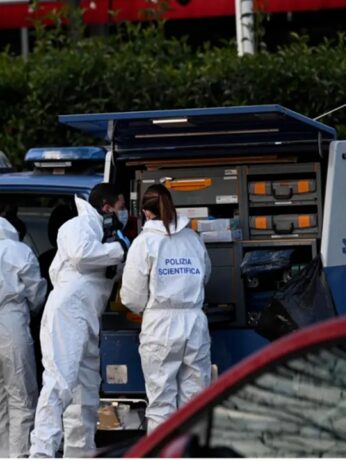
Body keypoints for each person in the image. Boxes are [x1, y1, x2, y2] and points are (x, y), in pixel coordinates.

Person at [29, 184, 130, 458]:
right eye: (121, 207)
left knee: (85, 391)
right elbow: (82, 254)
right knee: (59, 382)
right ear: (107, 207)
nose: (124, 213)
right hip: (68, 312)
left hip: (86, 317)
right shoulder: (79, 225)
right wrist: (119, 249)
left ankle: (80, 453)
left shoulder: (106, 236)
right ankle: (41, 452)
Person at [120, 184, 211, 433]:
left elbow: (131, 295)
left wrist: (147, 310)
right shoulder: (193, 239)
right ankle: (193, 452)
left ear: (146, 212)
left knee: (161, 403)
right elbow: (205, 276)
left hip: (159, 324)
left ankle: (163, 452)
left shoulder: (144, 242)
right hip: (194, 321)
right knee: (196, 402)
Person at [0, 211, 46, 458]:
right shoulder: (19, 251)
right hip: (11, 322)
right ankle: (19, 456)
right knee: (21, 396)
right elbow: (36, 294)